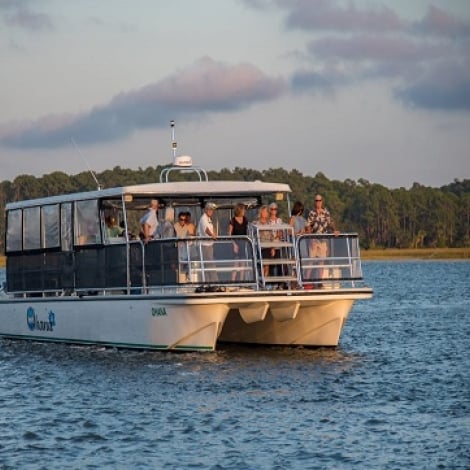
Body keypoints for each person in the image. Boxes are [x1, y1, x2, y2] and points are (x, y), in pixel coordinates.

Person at [307, 194, 339, 282]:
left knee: (321, 261)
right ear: (315, 202)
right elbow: (308, 226)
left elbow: (330, 222)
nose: (318, 202)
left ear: (322, 201)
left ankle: (320, 281)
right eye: (316, 200)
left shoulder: (326, 212)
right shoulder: (312, 212)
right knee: (311, 261)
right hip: (314, 239)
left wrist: (335, 230)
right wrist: (310, 239)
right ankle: (306, 282)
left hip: (323, 240)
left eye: (319, 200)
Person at [196, 202, 218, 282]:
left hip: (209, 245)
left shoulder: (209, 219)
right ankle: (214, 282)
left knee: (209, 264)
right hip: (204, 246)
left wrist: (215, 234)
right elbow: (206, 229)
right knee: (209, 265)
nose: (211, 211)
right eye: (209, 210)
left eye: (212, 210)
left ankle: (210, 282)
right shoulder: (203, 218)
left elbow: (212, 228)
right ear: (206, 210)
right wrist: (212, 235)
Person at [252, 205, 274, 277]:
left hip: (267, 246)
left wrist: (272, 248)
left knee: (266, 266)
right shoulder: (255, 223)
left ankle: (265, 282)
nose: (266, 213)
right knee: (260, 265)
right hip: (259, 246)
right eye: (264, 211)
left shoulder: (269, 223)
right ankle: (260, 281)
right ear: (261, 212)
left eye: (267, 212)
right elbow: (252, 234)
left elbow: (272, 236)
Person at [228, 203, 248, 281]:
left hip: (244, 243)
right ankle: (233, 281)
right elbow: (229, 234)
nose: (244, 211)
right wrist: (234, 244)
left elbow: (248, 230)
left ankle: (242, 281)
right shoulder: (232, 220)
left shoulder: (245, 219)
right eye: (243, 209)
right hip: (235, 243)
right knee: (236, 263)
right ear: (239, 210)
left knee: (243, 263)